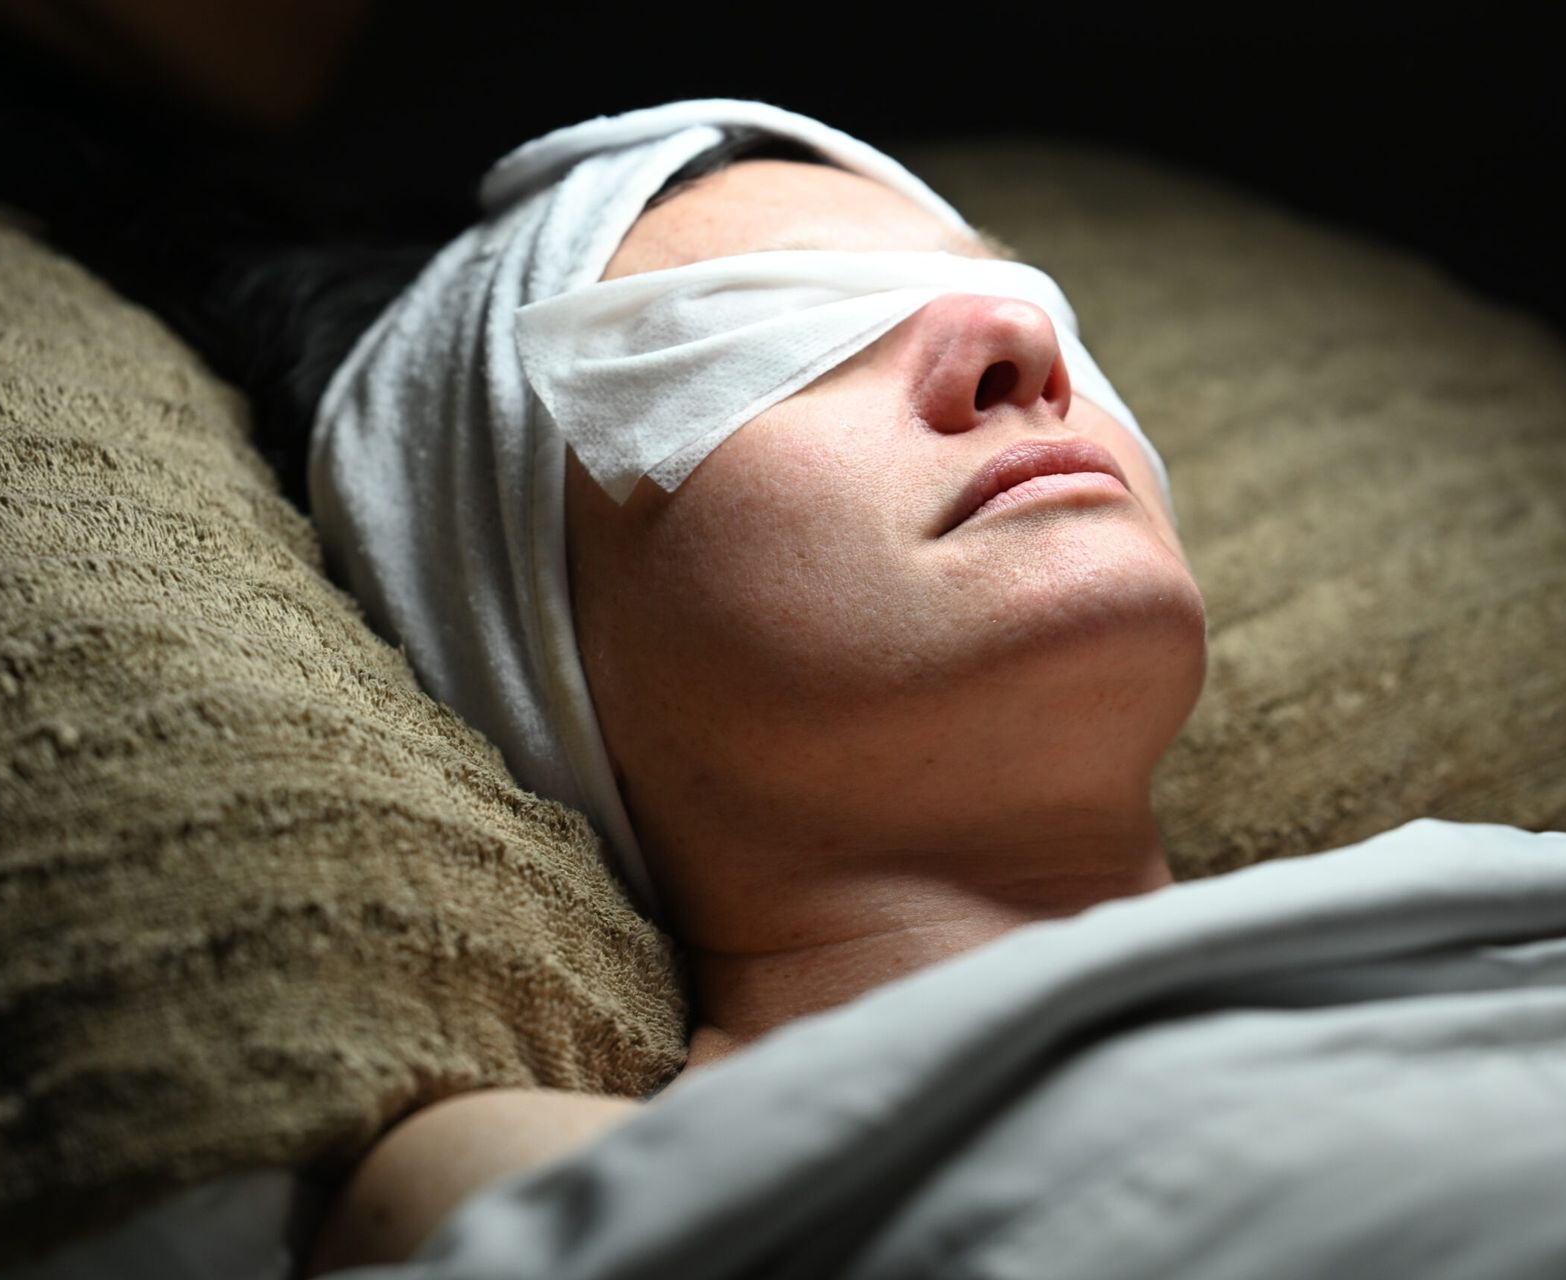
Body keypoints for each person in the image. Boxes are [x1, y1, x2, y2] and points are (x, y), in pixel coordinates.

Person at [290, 99, 1202, 1272]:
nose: (1018, 338)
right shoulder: (559, 1191)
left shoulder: (1502, 903)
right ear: (525, 632)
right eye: (771, 329)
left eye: (1025, 290)